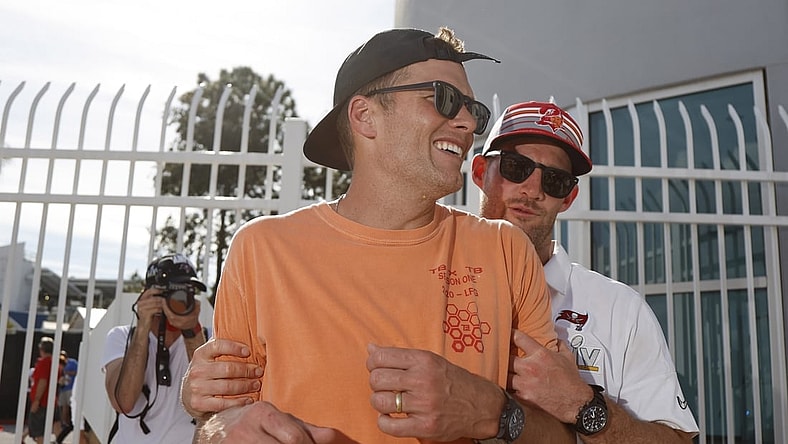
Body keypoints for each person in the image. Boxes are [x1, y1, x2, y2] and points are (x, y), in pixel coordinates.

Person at [181, 28, 575, 443]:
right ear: (365, 117)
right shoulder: (261, 250)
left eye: (472, 109)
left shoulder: (506, 250)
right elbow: (219, 422)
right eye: (442, 98)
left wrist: (490, 411)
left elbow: (560, 435)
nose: (466, 124)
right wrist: (213, 431)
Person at [470, 101, 700, 442]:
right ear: (479, 172)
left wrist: (580, 403)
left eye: (555, 180)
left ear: (569, 197)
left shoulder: (619, 308)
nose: (533, 191)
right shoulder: (428, 279)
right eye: (516, 167)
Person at [102, 253, 208, 443]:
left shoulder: (206, 339)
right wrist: (143, 327)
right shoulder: (121, 337)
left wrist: (191, 329)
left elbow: (210, 395)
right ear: (147, 295)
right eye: (168, 293)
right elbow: (124, 402)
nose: (178, 298)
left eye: (186, 291)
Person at [28, 336, 63, 444]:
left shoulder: (44, 363)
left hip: (42, 403)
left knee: (39, 432)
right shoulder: (55, 363)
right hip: (52, 400)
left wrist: (36, 401)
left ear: (41, 349)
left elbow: (42, 382)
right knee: (56, 425)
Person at [55, 350, 78, 443]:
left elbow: (77, 372)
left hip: (70, 388)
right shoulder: (59, 364)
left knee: (69, 406)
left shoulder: (72, 362)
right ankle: (65, 423)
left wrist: (68, 372)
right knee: (63, 406)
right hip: (63, 388)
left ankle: (68, 423)